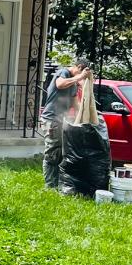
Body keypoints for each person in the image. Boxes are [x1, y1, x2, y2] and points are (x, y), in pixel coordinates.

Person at [40, 55, 92, 189]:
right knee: (52, 152)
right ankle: (49, 186)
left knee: (61, 153)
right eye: (82, 74)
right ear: (79, 68)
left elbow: (76, 104)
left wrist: (86, 118)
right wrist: (79, 77)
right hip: (51, 119)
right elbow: (60, 84)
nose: (81, 79)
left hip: (61, 120)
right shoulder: (63, 72)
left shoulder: (73, 84)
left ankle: (57, 183)